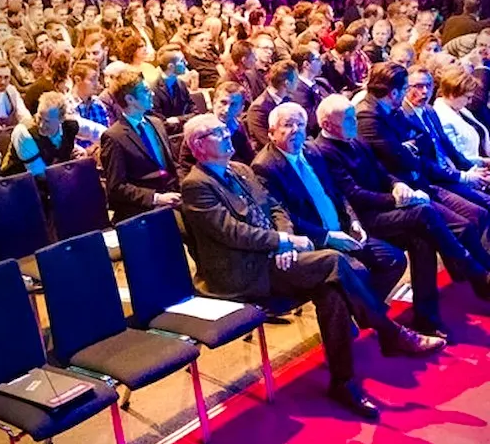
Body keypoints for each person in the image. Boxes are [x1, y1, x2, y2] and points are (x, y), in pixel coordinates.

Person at [181, 113, 444, 420]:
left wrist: (286, 240)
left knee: (330, 289)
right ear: (199, 145)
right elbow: (232, 233)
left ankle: (343, 382)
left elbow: (275, 208)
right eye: (218, 132)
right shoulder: (196, 185)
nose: (228, 134)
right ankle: (389, 332)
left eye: (226, 130)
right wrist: (282, 243)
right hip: (242, 271)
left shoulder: (239, 169)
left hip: (274, 257)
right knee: (333, 260)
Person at [316, 94, 490, 321]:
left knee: (423, 239)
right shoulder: (324, 151)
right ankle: (472, 268)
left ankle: (427, 318)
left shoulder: (355, 138)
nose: (355, 123)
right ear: (327, 124)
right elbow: (354, 195)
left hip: (383, 206)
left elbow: (380, 171)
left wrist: (396, 185)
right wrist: (396, 200)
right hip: (364, 218)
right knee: (424, 211)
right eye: (348, 119)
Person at [252, 102, 406, 301]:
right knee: (357, 275)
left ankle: (367, 312)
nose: (296, 130)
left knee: (394, 259)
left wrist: (353, 221)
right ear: (272, 133)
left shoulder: (312, 151)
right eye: (288, 124)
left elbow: (337, 192)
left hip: (342, 230)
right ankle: (374, 317)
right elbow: (285, 216)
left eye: (300, 124)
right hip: (314, 241)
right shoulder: (265, 167)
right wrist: (327, 236)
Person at [357, 63, 490, 228]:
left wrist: (474, 166)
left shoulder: (428, 110)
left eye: (428, 85)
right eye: (417, 86)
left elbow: (448, 150)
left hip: (441, 174)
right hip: (426, 179)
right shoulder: (397, 112)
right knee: (477, 215)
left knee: (481, 210)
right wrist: (463, 176)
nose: (425, 91)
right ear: (397, 91)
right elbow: (405, 157)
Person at [100, 70, 180, 222]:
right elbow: (117, 187)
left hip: (173, 194)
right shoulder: (114, 137)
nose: (153, 94)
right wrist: (157, 198)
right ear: (130, 99)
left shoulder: (156, 124)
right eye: (145, 91)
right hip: (146, 207)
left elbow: (173, 165)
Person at [178, 81, 254, 180]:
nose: (226, 109)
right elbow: (185, 167)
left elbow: (249, 159)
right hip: (206, 181)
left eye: (233, 105)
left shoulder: (239, 127)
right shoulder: (199, 128)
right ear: (214, 102)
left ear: (241, 109)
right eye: (223, 102)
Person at [1, 91, 80, 178]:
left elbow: (94, 131)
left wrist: (83, 152)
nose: (41, 125)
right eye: (39, 118)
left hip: (55, 179)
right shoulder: (24, 133)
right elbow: (40, 175)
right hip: (17, 183)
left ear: (61, 119)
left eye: (47, 121)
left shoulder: (70, 125)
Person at [433, 66, 490, 166]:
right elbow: (457, 157)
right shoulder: (442, 117)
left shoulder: (460, 109)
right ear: (452, 94)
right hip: (471, 170)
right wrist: (484, 162)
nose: (470, 102)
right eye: (467, 97)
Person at [246, 60, 298, 150]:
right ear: (287, 83)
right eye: (296, 79)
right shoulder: (258, 109)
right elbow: (266, 141)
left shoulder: (288, 100)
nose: (298, 83)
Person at [289, 45, 335, 136]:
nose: (322, 62)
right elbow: (313, 121)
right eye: (318, 59)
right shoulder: (297, 91)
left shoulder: (322, 82)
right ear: (306, 65)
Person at [150, 45, 196, 135]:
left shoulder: (181, 84)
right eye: (182, 61)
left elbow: (195, 112)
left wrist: (178, 120)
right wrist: (185, 120)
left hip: (185, 133)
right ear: (171, 66)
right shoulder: (153, 89)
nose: (186, 63)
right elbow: (161, 124)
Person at [0, 59, 31, 131]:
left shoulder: (12, 90)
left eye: (6, 77)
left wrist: (28, 122)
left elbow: (22, 111)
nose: (3, 82)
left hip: (12, 131)